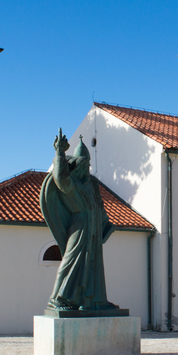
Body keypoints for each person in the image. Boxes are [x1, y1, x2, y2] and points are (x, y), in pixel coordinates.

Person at [39, 129, 117, 311]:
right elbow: (61, 179)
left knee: (94, 265)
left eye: (88, 165)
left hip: (94, 227)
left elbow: (99, 205)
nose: (87, 168)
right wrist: (59, 153)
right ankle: (57, 298)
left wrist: (104, 224)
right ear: (78, 164)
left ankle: (95, 301)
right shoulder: (72, 184)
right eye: (84, 164)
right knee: (71, 259)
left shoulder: (92, 184)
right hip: (79, 226)